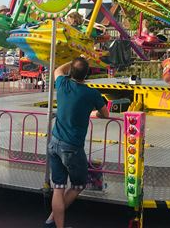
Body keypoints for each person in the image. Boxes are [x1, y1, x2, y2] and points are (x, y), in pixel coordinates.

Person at [45, 57, 109, 228]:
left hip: (54, 143)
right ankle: (53, 221)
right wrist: (94, 113)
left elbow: (58, 69)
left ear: (71, 71)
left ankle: (53, 222)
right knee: (78, 185)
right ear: (86, 74)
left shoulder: (62, 84)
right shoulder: (91, 93)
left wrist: (73, 62)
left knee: (58, 187)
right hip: (72, 147)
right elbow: (106, 113)